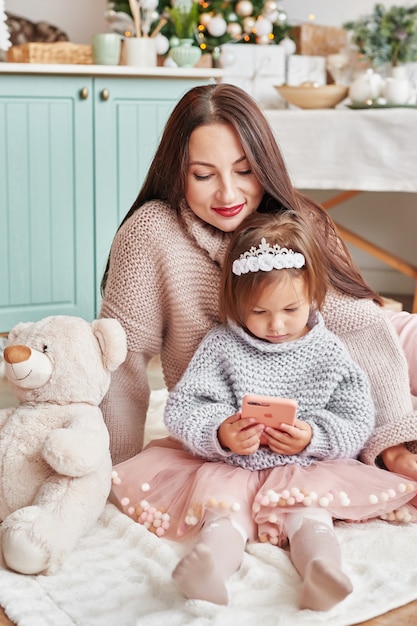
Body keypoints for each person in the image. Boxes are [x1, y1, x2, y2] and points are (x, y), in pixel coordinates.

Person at [100, 82, 417, 479]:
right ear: (178, 172)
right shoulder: (151, 233)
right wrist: (114, 465)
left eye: (245, 170)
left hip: (349, 359)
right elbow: (121, 361)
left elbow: (360, 329)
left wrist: (393, 444)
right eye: (203, 175)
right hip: (238, 432)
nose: (228, 193)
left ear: (264, 164)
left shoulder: (300, 220)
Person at [110, 211, 417, 610]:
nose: (276, 325)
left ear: (312, 296)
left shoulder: (328, 351)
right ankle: (211, 567)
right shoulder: (221, 346)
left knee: (309, 512)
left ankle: (322, 570)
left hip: (306, 467)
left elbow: (357, 417)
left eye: (291, 309)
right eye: (259, 312)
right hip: (232, 466)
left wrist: (315, 435)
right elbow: (185, 405)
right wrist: (221, 432)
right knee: (223, 514)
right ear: (237, 304)